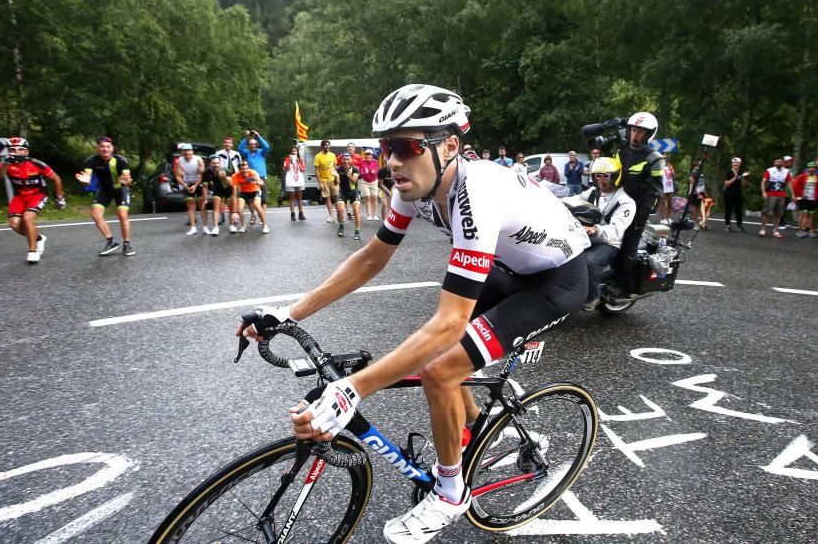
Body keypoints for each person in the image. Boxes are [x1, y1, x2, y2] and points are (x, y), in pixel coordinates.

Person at [239, 83, 589, 544]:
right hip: (507, 268)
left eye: (406, 147)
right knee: (441, 355)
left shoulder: (477, 190)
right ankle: (464, 435)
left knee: (440, 368)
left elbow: (448, 322)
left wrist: (353, 389)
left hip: (556, 279)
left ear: (449, 146)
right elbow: (371, 258)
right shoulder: (413, 185)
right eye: (387, 147)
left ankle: (450, 493)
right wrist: (289, 312)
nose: (392, 161)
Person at [611, 112, 665, 297]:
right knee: (609, 242)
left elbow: (654, 192)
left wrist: (641, 218)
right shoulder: (621, 152)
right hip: (615, 206)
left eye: (641, 131)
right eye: (633, 129)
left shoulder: (655, 158)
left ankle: (624, 288)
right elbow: (612, 178)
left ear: (649, 134)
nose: (635, 134)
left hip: (636, 212)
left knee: (627, 248)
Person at [572, 157, 636, 311]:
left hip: (610, 243)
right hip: (588, 237)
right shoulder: (594, 192)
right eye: (598, 176)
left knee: (589, 261)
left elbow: (616, 230)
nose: (601, 180)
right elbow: (575, 200)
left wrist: (596, 229)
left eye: (606, 176)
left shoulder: (625, 202)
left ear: (615, 176)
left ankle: (592, 297)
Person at [0, 137, 65, 263]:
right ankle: (38, 238)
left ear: (26, 152)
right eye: (12, 149)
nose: (16, 152)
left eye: (20, 149)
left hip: (37, 195)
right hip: (20, 196)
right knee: (14, 224)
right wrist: (5, 163)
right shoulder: (5, 163)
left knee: (27, 218)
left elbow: (56, 178)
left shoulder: (36, 163)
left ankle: (33, 252)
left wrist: (59, 197)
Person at [75, 136, 134, 256]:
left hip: (120, 189)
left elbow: (128, 180)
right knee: (95, 214)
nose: (105, 149)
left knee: (122, 215)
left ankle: (127, 244)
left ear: (112, 148)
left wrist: (126, 181)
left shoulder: (121, 160)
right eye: (102, 146)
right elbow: (87, 177)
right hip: (105, 190)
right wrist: (85, 181)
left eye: (108, 147)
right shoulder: (91, 160)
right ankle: (110, 241)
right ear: (97, 148)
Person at [792, 160, 818, 238]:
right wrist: (801, 194)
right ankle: (800, 230)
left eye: (814, 168)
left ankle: (808, 230)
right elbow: (795, 186)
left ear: (816, 169)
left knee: (810, 215)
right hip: (803, 198)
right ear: (807, 168)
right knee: (803, 214)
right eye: (810, 167)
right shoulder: (802, 176)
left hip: (812, 198)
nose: (812, 169)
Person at [239, 130, 270, 224]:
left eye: (254, 144)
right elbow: (240, 149)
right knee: (250, 199)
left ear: (257, 145)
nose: (252, 145)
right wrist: (246, 138)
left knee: (263, 199)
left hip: (261, 177)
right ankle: (253, 215)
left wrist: (258, 136)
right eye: (251, 144)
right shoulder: (247, 153)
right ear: (249, 145)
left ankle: (262, 217)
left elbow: (267, 146)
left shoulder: (261, 152)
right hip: (250, 177)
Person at [174, 143, 206, 235]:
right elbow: (178, 176)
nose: (187, 153)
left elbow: (202, 174)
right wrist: (185, 186)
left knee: (202, 204)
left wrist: (196, 185)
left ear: (192, 151)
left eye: (189, 151)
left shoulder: (198, 159)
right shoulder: (179, 161)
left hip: (198, 182)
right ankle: (193, 227)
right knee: (190, 204)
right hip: (187, 183)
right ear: (182, 152)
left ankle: (205, 227)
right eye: (185, 151)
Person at [230, 160, 269, 234]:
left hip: (255, 190)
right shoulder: (235, 176)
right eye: (242, 169)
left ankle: (265, 225)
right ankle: (243, 226)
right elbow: (234, 193)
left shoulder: (252, 173)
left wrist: (257, 182)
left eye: (246, 168)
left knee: (257, 205)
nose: (245, 170)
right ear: (239, 169)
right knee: (239, 207)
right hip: (244, 192)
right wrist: (234, 211)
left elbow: (262, 183)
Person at [760, 156, 794, 238]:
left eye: (780, 162)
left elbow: (789, 183)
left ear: (783, 163)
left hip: (781, 194)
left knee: (778, 214)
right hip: (771, 194)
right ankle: (763, 229)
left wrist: (793, 194)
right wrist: (764, 192)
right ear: (774, 163)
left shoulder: (786, 171)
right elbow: (763, 181)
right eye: (777, 162)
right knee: (767, 212)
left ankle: (775, 230)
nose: (779, 163)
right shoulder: (769, 170)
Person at [214, 136, 243, 224]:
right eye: (226, 142)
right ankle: (222, 216)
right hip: (222, 175)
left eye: (229, 142)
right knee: (222, 197)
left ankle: (235, 215)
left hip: (234, 176)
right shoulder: (218, 153)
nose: (227, 144)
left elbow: (240, 165)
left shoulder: (236, 153)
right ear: (223, 143)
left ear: (232, 144)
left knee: (234, 196)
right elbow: (216, 164)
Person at [200, 155, 232, 236]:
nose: (216, 165)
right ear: (210, 163)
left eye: (217, 163)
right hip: (217, 189)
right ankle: (215, 227)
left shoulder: (225, 170)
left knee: (230, 206)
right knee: (215, 206)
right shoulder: (207, 172)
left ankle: (231, 225)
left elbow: (231, 184)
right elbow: (205, 186)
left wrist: (224, 177)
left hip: (228, 189)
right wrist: (205, 199)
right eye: (213, 163)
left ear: (220, 163)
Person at [335, 152, 362, 240]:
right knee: (340, 210)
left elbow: (354, 181)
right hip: (343, 192)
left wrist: (349, 175)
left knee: (356, 210)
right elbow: (336, 183)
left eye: (348, 159)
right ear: (341, 160)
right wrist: (336, 177)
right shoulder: (338, 169)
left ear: (351, 160)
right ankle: (341, 225)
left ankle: (357, 231)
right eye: (344, 159)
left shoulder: (355, 169)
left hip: (354, 192)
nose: (346, 161)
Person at [314, 139, 339, 223]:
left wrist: (337, 177)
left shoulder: (332, 155)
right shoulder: (318, 156)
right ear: (322, 147)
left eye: (328, 145)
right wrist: (319, 182)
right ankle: (331, 216)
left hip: (333, 179)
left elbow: (335, 167)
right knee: (327, 198)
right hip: (324, 180)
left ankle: (339, 214)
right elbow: (317, 170)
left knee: (336, 197)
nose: (327, 146)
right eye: (325, 145)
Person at [722, 156, 747, 232]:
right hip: (728, 193)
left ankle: (739, 225)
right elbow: (726, 183)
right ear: (732, 164)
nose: (735, 164)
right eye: (734, 162)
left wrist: (742, 178)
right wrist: (735, 178)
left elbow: (744, 185)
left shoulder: (742, 172)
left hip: (738, 193)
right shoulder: (728, 172)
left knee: (739, 210)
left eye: (737, 162)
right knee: (728, 209)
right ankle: (728, 225)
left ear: (740, 164)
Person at [283, 145, 307, 221]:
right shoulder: (287, 159)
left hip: (299, 180)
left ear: (297, 152)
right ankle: (292, 214)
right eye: (292, 151)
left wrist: (298, 162)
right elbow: (286, 169)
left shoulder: (300, 160)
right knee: (292, 198)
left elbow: (303, 170)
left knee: (299, 198)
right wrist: (290, 161)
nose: (294, 152)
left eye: (295, 151)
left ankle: (301, 213)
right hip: (290, 180)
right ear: (291, 152)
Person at [358, 148, 380, 221]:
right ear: (365, 155)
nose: (368, 156)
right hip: (365, 182)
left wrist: (370, 171)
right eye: (367, 154)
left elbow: (376, 171)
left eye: (369, 154)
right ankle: (369, 215)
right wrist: (367, 172)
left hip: (374, 181)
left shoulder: (375, 162)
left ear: (372, 155)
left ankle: (375, 215)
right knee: (367, 198)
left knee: (375, 197)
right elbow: (361, 172)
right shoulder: (362, 162)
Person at [659, 154, 676, 223]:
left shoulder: (670, 166)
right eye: (664, 158)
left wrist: (670, 168)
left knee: (670, 203)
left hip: (670, 187)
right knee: (662, 202)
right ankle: (662, 218)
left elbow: (674, 175)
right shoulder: (659, 166)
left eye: (666, 158)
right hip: (662, 186)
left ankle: (668, 217)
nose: (665, 159)